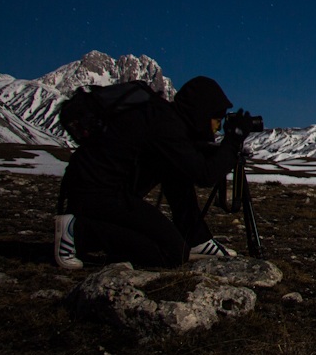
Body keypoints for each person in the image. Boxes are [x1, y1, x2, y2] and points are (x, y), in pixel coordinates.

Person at [54, 76, 244, 269]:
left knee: (174, 173)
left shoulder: (162, 118)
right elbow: (205, 175)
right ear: (201, 112)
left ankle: (196, 239)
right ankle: (77, 233)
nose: (217, 127)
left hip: (99, 190)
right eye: (216, 119)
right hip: (97, 195)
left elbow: (182, 173)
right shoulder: (165, 125)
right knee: (171, 253)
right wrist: (232, 143)